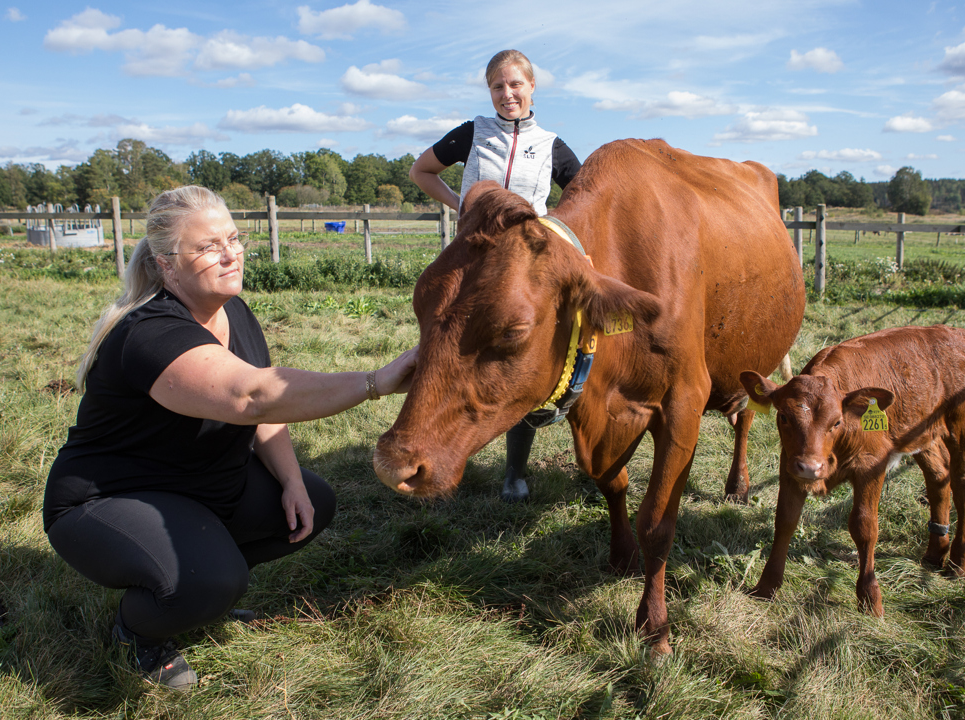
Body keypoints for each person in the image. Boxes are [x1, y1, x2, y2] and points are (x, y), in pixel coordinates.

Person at [43, 185, 417, 690]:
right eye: (207, 247)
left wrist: (290, 481)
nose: (230, 253)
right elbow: (252, 397)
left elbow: (264, 416)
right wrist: (376, 380)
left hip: (200, 487)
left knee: (314, 503)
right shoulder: (151, 332)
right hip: (110, 498)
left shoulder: (233, 310)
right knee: (210, 581)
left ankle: (198, 587)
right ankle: (140, 631)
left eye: (234, 238)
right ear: (166, 264)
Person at [409, 48, 582, 502]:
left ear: (531, 87)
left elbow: (584, 197)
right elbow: (421, 170)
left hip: (521, 270)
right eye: (497, 86)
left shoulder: (550, 144)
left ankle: (514, 473)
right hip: (468, 262)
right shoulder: (472, 133)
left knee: (513, 355)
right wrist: (462, 207)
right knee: (452, 350)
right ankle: (431, 433)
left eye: (515, 84)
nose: (507, 94)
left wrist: (549, 232)